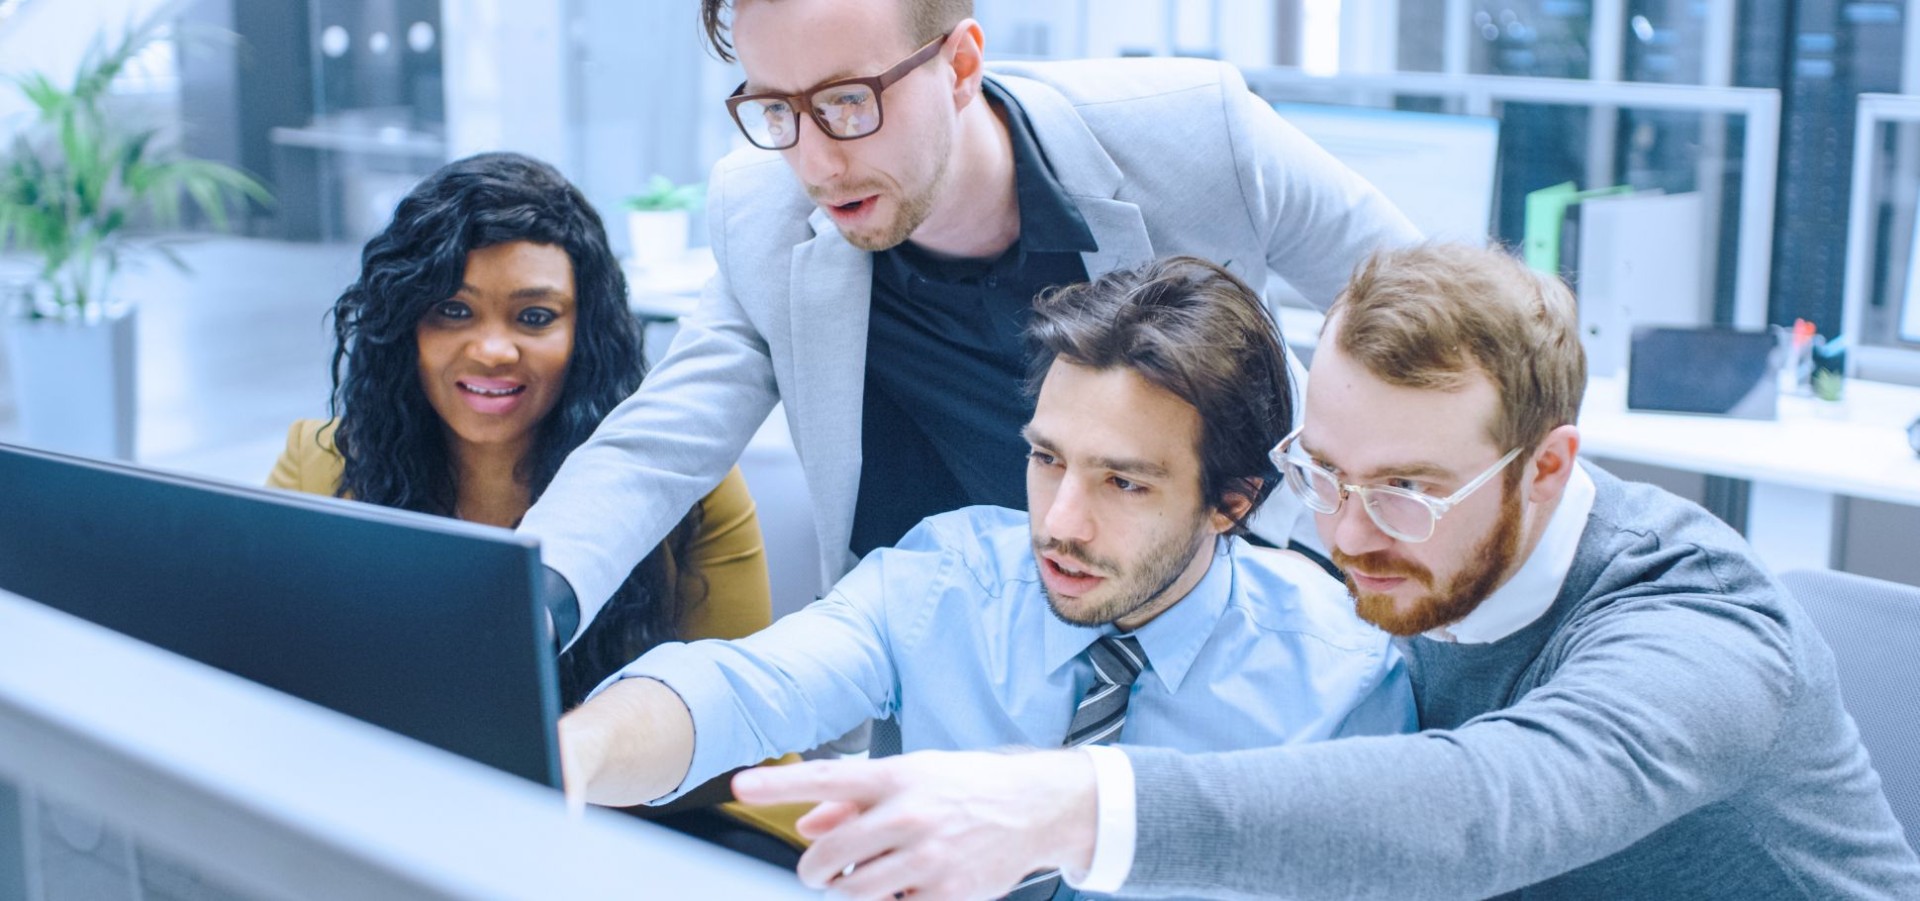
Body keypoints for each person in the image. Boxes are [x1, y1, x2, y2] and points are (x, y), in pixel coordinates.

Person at [731, 243, 1920, 900]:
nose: (1346, 532)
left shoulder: (1702, 633)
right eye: (1326, 472)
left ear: (1548, 468)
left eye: (1405, 488)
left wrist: (1065, 803)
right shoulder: (1397, 553)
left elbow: (1481, 812)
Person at [516, 0, 1420, 652]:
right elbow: (657, 440)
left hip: (1237, 618)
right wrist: (525, 597)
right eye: (776, 110)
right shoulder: (764, 215)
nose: (816, 162)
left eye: (847, 101)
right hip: (963, 670)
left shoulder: (1194, 133)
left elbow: (1437, 315)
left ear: (958, 65)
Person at [559, 257, 1415, 896]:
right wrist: (578, 751)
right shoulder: (949, 577)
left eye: (1123, 482)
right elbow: (746, 686)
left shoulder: (1341, 680)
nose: (1060, 522)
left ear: (1232, 501)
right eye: (1047, 458)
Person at [264, 151, 801, 857]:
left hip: (660, 839)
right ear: (405, 326)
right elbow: (268, 696)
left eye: (535, 316)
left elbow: (741, 742)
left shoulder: (688, 485)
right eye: (453, 310)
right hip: (413, 834)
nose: (492, 349)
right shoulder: (322, 465)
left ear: (585, 333)